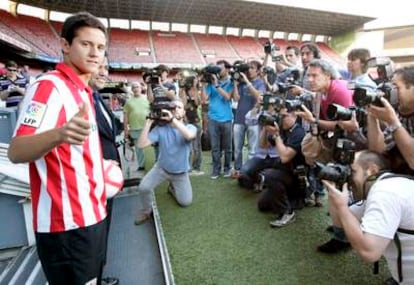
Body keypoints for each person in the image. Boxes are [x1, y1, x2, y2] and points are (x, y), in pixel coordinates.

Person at [8, 12, 109, 285]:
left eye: (100, 47)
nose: (94, 53)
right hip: (66, 228)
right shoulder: (49, 87)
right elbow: (16, 151)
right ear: (65, 45)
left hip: (92, 217)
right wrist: (60, 134)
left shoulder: (83, 90)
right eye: (86, 44)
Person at [323, 150, 414, 284]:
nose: (349, 177)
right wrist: (333, 191)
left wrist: (342, 207)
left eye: (352, 172)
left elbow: (369, 253)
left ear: (371, 170)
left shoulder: (385, 193)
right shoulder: (392, 184)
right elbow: (341, 222)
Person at [134, 99, 196, 225]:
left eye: (179, 107)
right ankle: (146, 211)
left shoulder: (190, 127)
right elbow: (141, 145)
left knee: (185, 202)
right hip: (161, 169)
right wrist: (148, 122)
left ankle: (172, 188)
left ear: (183, 112)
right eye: (173, 107)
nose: (175, 109)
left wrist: (172, 120)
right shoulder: (160, 129)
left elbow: (189, 136)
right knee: (143, 188)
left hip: (180, 173)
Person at [90, 56, 121, 285]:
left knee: (103, 232)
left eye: (106, 67)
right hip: (91, 181)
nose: (103, 72)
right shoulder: (78, 99)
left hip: (106, 181)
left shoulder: (97, 97)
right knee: (94, 236)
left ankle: (99, 276)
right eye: (98, 66)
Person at [256, 107, 306, 227]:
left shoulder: (298, 132)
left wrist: (276, 135)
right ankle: (291, 201)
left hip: (298, 179)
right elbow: (263, 145)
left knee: (268, 175)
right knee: (262, 205)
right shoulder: (283, 129)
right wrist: (265, 128)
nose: (281, 119)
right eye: (280, 116)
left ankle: (287, 212)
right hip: (285, 174)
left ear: (294, 116)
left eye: (285, 116)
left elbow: (285, 157)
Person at [200, 60, 234, 179]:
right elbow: (204, 100)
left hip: (227, 119)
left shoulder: (231, 82)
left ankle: (227, 168)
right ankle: (216, 170)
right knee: (215, 148)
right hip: (213, 118)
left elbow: (228, 97)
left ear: (227, 69)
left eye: (220, 68)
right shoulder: (210, 84)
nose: (218, 71)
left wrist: (217, 84)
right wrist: (203, 86)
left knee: (228, 148)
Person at [232, 60, 266, 177]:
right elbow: (236, 99)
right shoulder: (240, 84)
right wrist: (235, 84)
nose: (249, 70)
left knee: (252, 149)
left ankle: (250, 172)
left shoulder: (260, 83)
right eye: (248, 68)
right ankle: (238, 169)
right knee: (237, 148)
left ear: (258, 71)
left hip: (254, 120)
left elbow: (259, 97)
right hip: (239, 118)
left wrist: (246, 81)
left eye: (252, 68)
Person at [179, 73, 204, 175]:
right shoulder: (183, 91)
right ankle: (187, 167)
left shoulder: (196, 91)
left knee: (197, 146)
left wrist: (196, 91)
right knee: (187, 146)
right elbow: (183, 105)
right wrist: (183, 89)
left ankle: (196, 167)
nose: (197, 82)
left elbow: (198, 103)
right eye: (195, 81)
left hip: (196, 120)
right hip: (186, 120)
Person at [123, 81, 150, 171]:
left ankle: (151, 164)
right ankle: (142, 165)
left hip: (147, 127)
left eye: (137, 87)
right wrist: (126, 130)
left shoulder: (147, 99)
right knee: (138, 148)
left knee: (148, 148)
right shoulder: (128, 102)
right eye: (134, 87)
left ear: (141, 88)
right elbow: (125, 117)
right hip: (134, 128)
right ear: (132, 89)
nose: (135, 89)